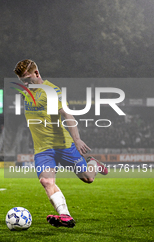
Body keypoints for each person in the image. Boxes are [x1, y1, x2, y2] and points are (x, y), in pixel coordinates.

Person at [13, 59, 108, 228]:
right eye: (23, 81)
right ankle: (65, 216)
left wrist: (77, 139)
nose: (26, 84)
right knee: (46, 182)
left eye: (28, 79)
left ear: (37, 73)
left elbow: (67, 115)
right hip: (43, 149)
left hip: (64, 145)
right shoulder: (25, 91)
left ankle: (93, 163)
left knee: (88, 178)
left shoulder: (51, 91)